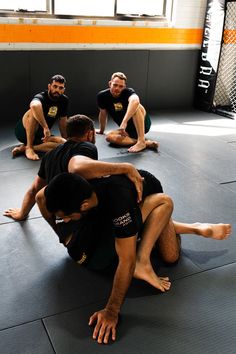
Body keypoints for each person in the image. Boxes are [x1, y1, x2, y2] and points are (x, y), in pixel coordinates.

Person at [35, 171, 231, 345]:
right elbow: (40, 197)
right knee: (159, 211)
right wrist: (60, 234)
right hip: (97, 246)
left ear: (84, 205)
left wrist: (112, 311)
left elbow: (39, 196)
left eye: (65, 217)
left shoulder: (111, 195)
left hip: (125, 212)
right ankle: (187, 230)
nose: (64, 220)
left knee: (160, 222)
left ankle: (163, 244)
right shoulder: (84, 177)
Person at [3, 114, 143, 221]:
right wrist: (126, 167)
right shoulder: (86, 146)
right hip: (80, 213)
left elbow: (35, 190)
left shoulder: (49, 155)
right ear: (90, 133)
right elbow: (77, 168)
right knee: (124, 182)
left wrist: (22, 213)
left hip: (60, 214)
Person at [96, 72, 159, 153]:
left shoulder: (128, 92)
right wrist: (101, 130)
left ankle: (141, 139)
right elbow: (103, 114)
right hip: (126, 130)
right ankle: (145, 143)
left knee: (136, 105)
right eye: (115, 85)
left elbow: (135, 101)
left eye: (121, 86)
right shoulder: (102, 96)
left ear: (124, 87)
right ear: (110, 83)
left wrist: (124, 122)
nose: (117, 88)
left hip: (142, 124)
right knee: (109, 137)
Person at [12, 74, 68, 161]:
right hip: (24, 131)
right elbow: (34, 106)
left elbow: (63, 121)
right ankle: (29, 147)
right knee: (33, 111)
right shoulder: (42, 96)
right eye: (55, 86)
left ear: (63, 90)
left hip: (42, 135)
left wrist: (67, 139)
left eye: (60, 88)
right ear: (49, 86)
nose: (57, 90)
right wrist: (46, 127)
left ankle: (25, 148)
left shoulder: (64, 100)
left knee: (63, 145)